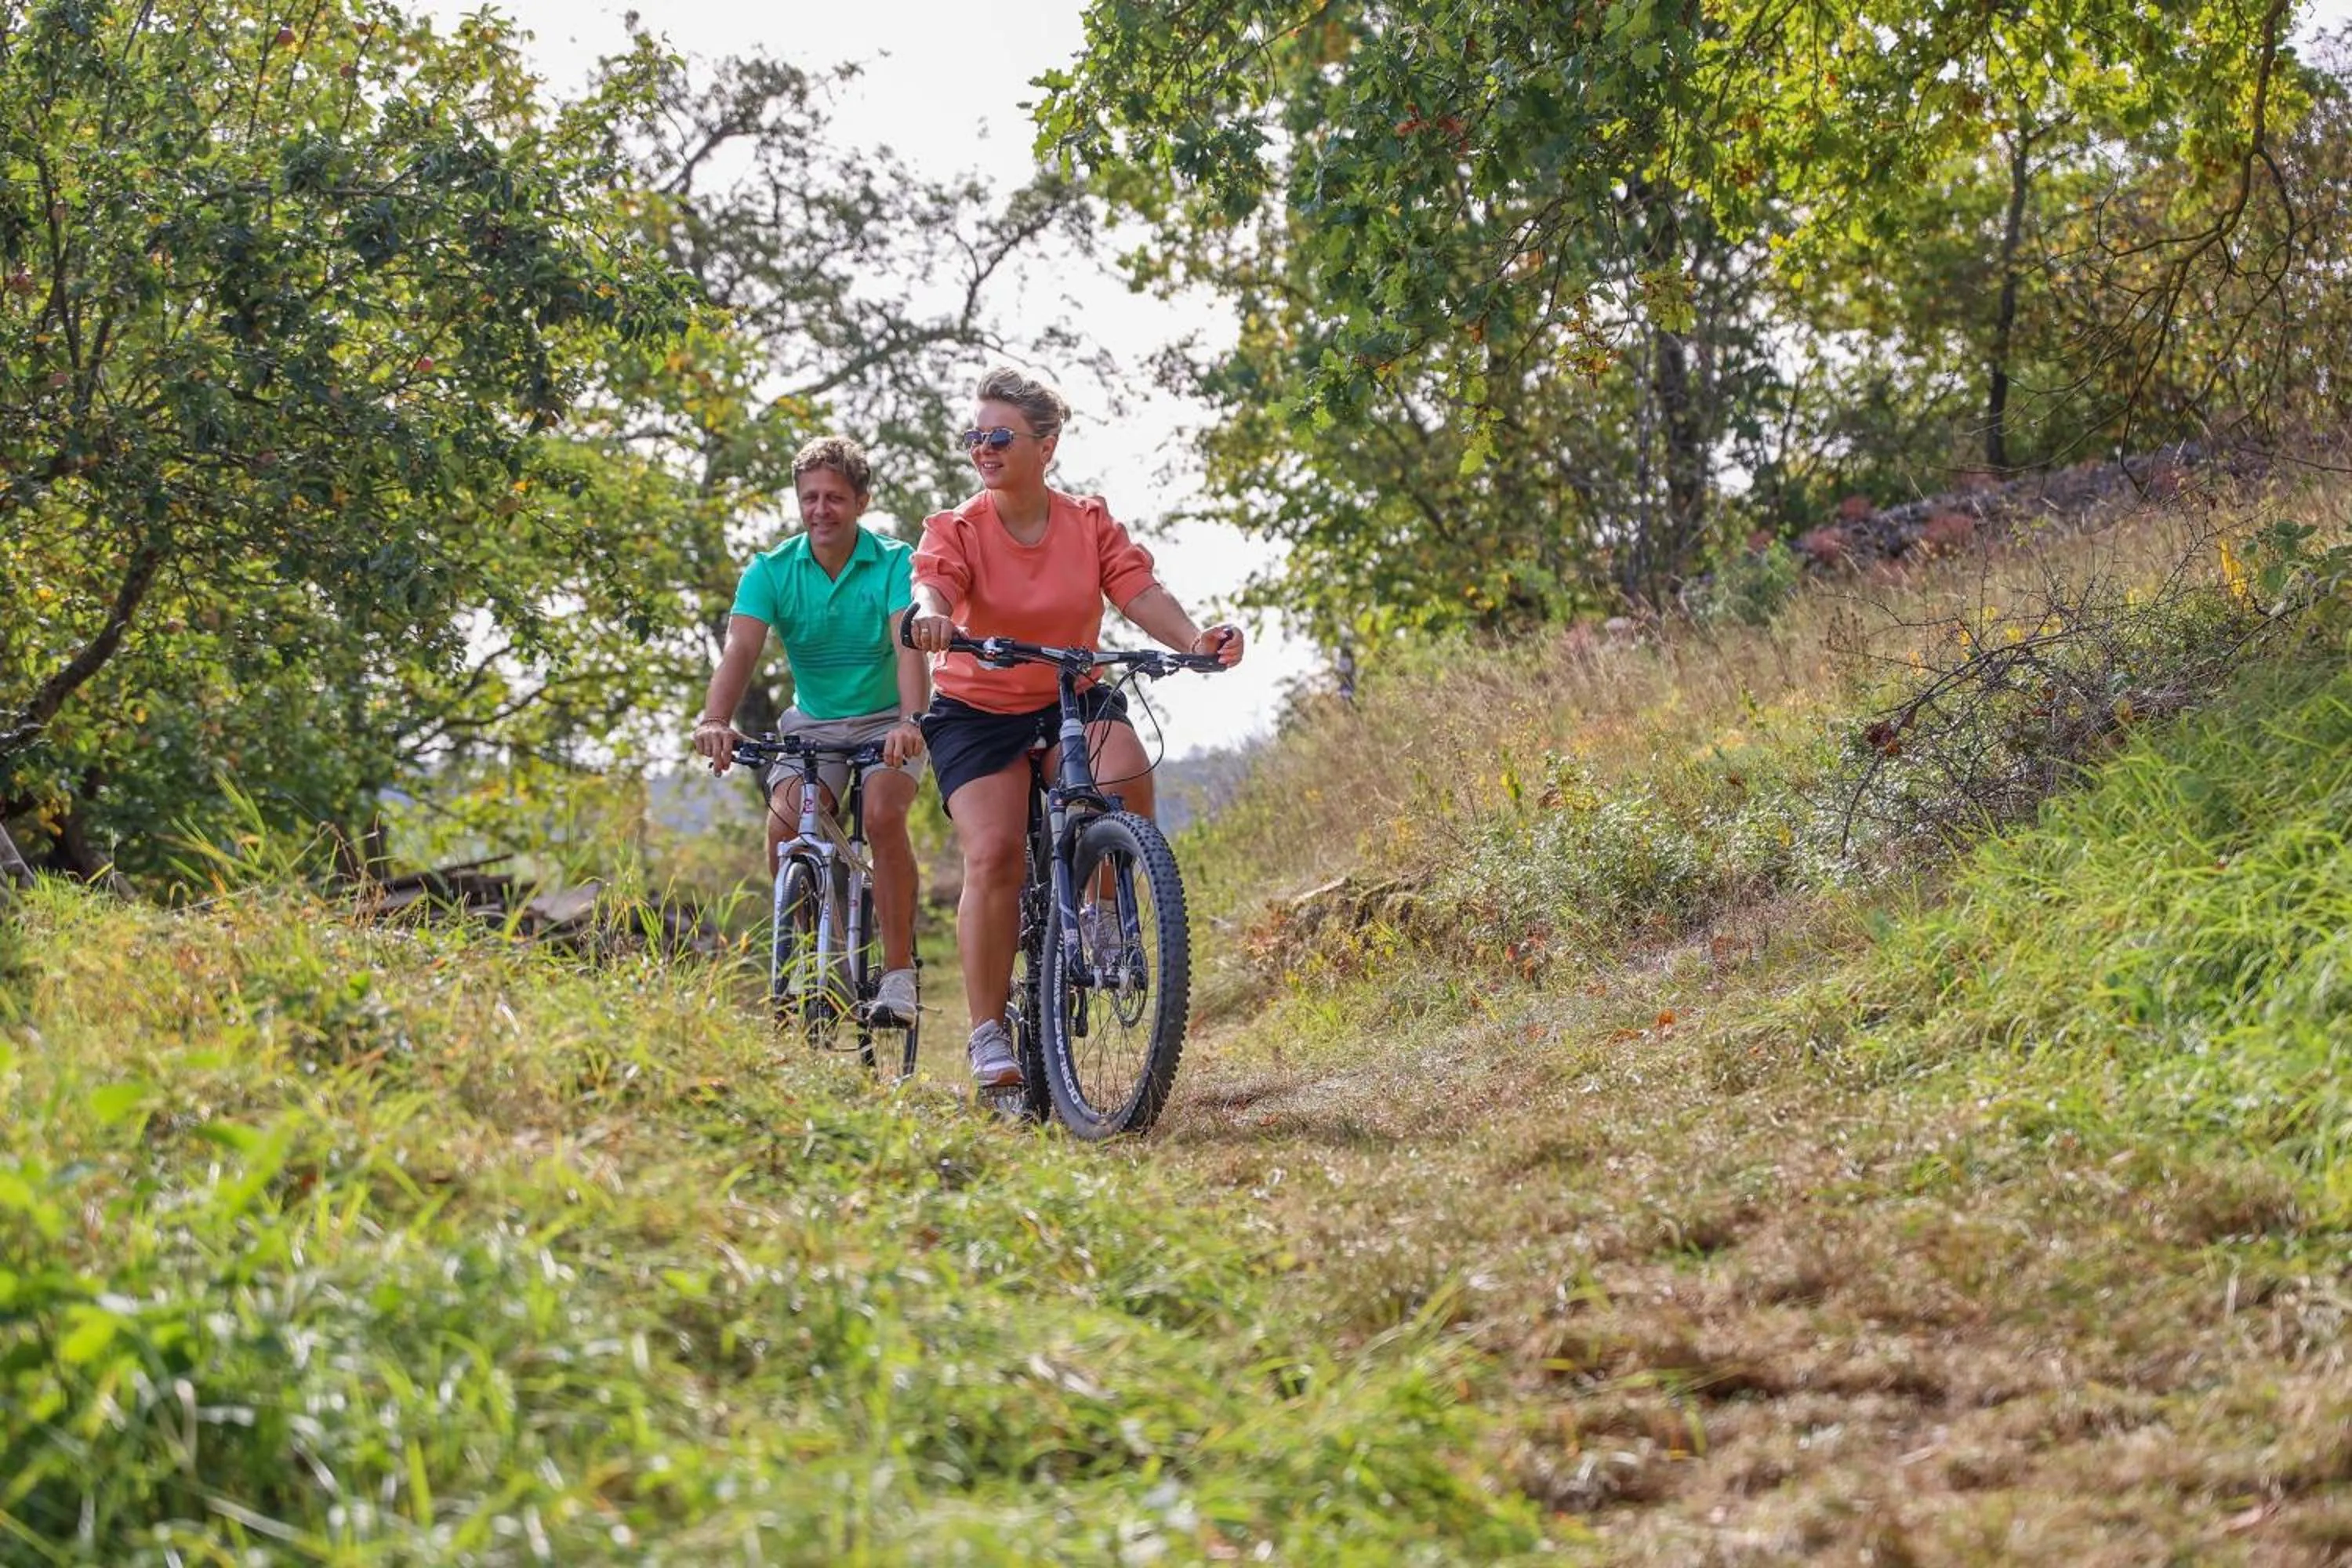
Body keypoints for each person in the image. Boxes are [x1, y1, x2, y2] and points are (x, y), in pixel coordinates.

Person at [902, 366, 1244, 1089]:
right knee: (994, 853)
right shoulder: (957, 527)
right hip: (977, 710)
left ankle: (1105, 915)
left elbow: (1137, 588)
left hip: (1069, 693)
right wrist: (932, 614)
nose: (983, 449)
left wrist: (1192, 640)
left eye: (999, 437)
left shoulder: (1087, 522)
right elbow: (933, 581)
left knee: (1126, 774)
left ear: (1046, 445)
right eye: (974, 437)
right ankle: (988, 1034)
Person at [693, 436, 928, 1025]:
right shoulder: (771, 570)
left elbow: (909, 647)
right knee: (785, 825)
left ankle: (898, 974)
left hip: (887, 719)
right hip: (814, 725)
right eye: (810, 498)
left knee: (883, 816)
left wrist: (911, 720)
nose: (821, 510)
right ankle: (815, 956)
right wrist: (715, 719)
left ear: (861, 502)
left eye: (835, 498)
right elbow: (740, 649)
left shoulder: (894, 562)